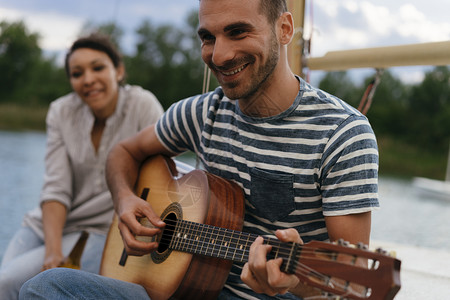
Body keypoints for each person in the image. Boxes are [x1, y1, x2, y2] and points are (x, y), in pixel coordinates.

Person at [19, 0, 379, 299]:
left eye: (238, 31)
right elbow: (123, 152)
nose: (219, 55)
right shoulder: (201, 111)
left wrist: (295, 282)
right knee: (44, 287)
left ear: (284, 29)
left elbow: (351, 286)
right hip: (178, 288)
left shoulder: (342, 134)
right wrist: (125, 200)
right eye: (208, 37)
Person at [0, 33, 164, 299]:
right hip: (47, 224)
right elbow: (56, 187)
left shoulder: (142, 104)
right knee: (5, 283)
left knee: (15, 284)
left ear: (119, 71)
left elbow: (168, 173)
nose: (88, 79)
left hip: (104, 231)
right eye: (77, 73)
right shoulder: (61, 111)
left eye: (97, 67)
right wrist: (53, 251)